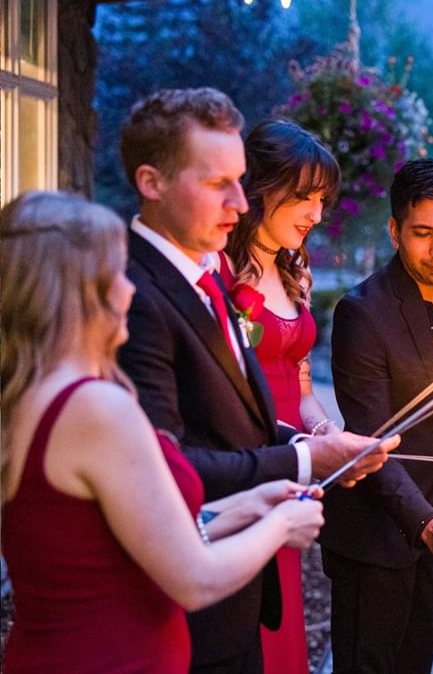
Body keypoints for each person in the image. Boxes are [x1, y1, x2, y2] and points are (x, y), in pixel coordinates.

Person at [115, 87, 396, 673]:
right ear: (151, 182)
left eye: (241, 183)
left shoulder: (215, 272)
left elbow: (263, 398)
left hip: (259, 505)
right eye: (219, 184)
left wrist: (311, 441)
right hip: (207, 541)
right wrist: (301, 460)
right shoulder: (139, 293)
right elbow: (168, 466)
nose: (239, 204)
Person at [0, 191, 325, 673]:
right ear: (78, 293)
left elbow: (116, 542)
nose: (129, 291)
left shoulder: (30, 393)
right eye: (115, 276)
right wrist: (282, 524)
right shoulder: (94, 407)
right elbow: (193, 578)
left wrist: (243, 508)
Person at [320, 159, 433, 673]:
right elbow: (373, 440)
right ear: (395, 231)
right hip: (375, 534)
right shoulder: (362, 313)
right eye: (423, 234)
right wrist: (425, 524)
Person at [219, 119, 346, 674]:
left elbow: (299, 387)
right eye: (303, 197)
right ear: (259, 190)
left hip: (292, 468)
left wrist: (326, 434)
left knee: (282, 617)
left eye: (322, 199)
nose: (316, 213)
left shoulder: (296, 268)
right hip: (243, 462)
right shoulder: (222, 269)